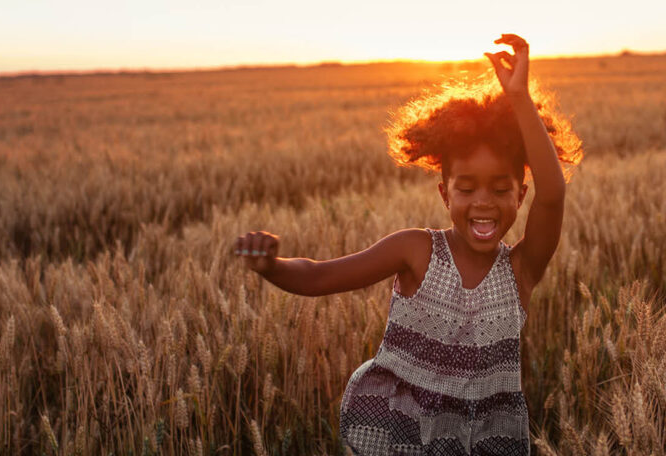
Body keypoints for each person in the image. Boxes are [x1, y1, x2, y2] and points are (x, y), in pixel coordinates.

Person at [233, 33, 582, 455]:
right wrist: (272, 266)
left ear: (521, 195)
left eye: (500, 189)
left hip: (485, 445)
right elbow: (323, 275)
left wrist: (520, 98)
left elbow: (554, 194)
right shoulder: (415, 251)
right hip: (401, 440)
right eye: (467, 189)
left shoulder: (521, 270)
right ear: (444, 194)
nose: (484, 203)